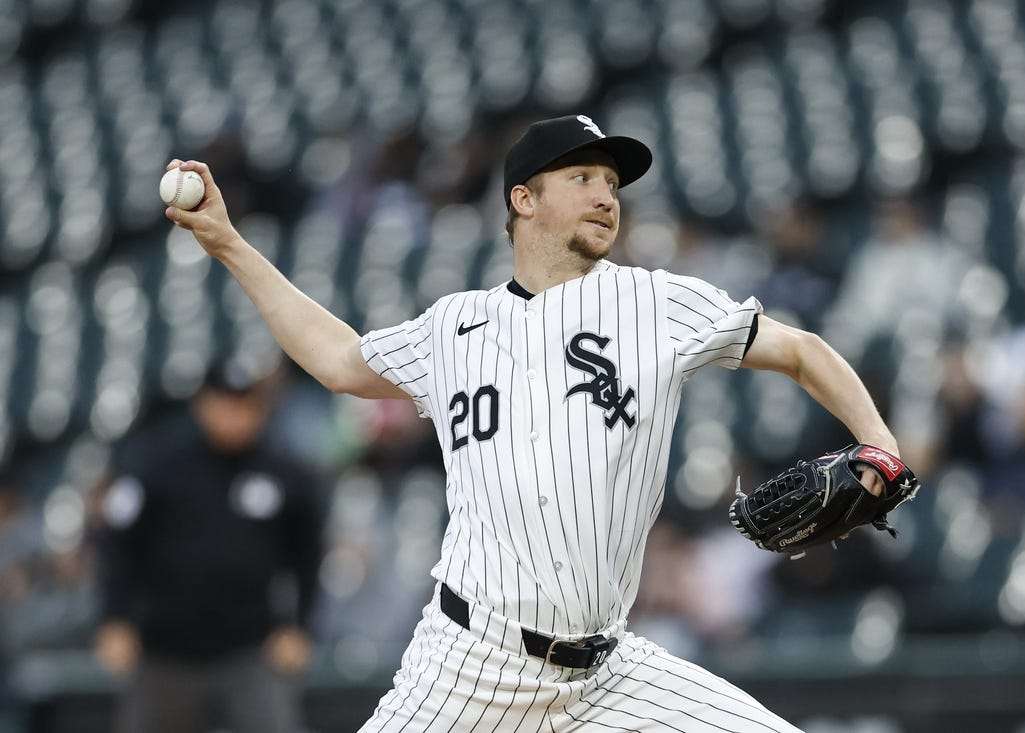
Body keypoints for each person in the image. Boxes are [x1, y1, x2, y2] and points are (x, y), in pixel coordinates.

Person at [165, 114, 902, 732]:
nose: (606, 196)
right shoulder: (454, 327)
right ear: (523, 198)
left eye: (611, 183)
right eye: (582, 177)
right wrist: (227, 241)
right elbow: (336, 358)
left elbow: (801, 351)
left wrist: (882, 447)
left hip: (606, 674)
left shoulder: (655, 303)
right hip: (466, 667)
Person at [93, 358, 325, 733]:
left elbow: (308, 556)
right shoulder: (159, 468)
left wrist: (301, 627)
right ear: (202, 404)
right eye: (224, 402)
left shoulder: (286, 474)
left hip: (250, 649)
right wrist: (115, 618)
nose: (234, 415)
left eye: (245, 404)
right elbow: (117, 544)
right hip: (166, 652)